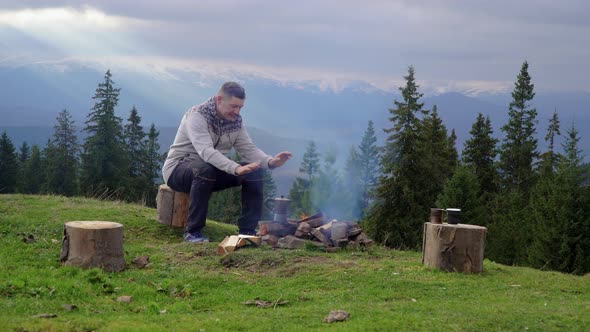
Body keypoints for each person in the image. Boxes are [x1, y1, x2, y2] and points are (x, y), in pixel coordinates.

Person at [162, 82, 292, 243]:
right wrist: (235, 168)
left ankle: (247, 231)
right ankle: (193, 232)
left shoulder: (235, 121)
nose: (237, 112)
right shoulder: (197, 116)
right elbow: (206, 152)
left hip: (210, 170)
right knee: (204, 169)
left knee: (254, 171)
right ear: (219, 99)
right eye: (233, 106)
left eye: (240, 107)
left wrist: (271, 161)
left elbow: (248, 148)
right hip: (178, 170)